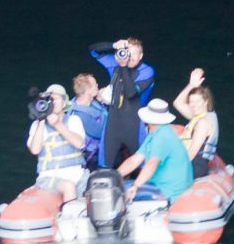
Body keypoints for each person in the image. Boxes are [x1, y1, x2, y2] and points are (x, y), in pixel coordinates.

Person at [88, 37, 155, 171]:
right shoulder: (115, 62)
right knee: (104, 167)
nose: (129, 56)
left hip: (134, 126)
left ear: (141, 55)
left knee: (141, 167)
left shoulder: (147, 71)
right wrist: (113, 45)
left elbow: (131, 93)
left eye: (134, 53)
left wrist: (123, 66)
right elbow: (93, 51)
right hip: (113, 124)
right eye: (127, 51)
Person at [118, 98, 195, 204]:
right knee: (118, 185)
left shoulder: (162, 136)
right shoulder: (156, 132)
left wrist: (136, 186)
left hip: (169, 191)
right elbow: (135, 160)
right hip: (163, 185)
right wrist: (115, 176)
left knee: (118, 192)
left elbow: (152, 163)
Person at [26, 85, 91, 198]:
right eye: (50, 99)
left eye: (56, 98)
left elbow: (79, 143)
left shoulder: (73, 120)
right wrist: (41, 120)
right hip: (49, 178)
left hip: (78, 175)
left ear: (64, 103)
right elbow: (35, 150)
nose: (53, 102)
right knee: (68, 187)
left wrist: (58, 124)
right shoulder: (37, 125)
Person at [175, 70, 220, 175]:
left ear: (206, 101)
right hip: (192, 163)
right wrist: (191, 85)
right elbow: (178, 103)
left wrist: (174, 167)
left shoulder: (203, 123)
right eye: (191, 102)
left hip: (195, 165)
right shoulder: (197, 116)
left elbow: (192, 153)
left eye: (198, 102)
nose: (194, 105)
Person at [69, 71, 110, 166]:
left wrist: (102, 100)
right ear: (88, 91)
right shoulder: (80, 115)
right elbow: (102, 133)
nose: (97, 85)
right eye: (95, 85)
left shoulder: (91, 101)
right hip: (94, 156)